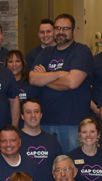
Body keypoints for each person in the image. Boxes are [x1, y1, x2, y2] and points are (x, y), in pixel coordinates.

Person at [28, 13, 93, 152]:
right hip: (45, 122)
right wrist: (58, 74)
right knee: (47, 168)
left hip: (72, 124)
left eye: (66, 28)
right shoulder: (46, 53)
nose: (61, 32)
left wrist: (44, 78)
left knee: (70, 168)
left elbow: (72, 82)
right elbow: (33, 79)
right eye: (57, 28)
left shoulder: (82, 51)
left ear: (74, 31)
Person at [15, 99, 64, 181]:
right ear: (22, 116)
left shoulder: (52, 141)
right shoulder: (15, 141)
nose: (33, 115)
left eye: (36, 112)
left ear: (41, 115)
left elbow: (60, 167)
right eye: (28, 112)